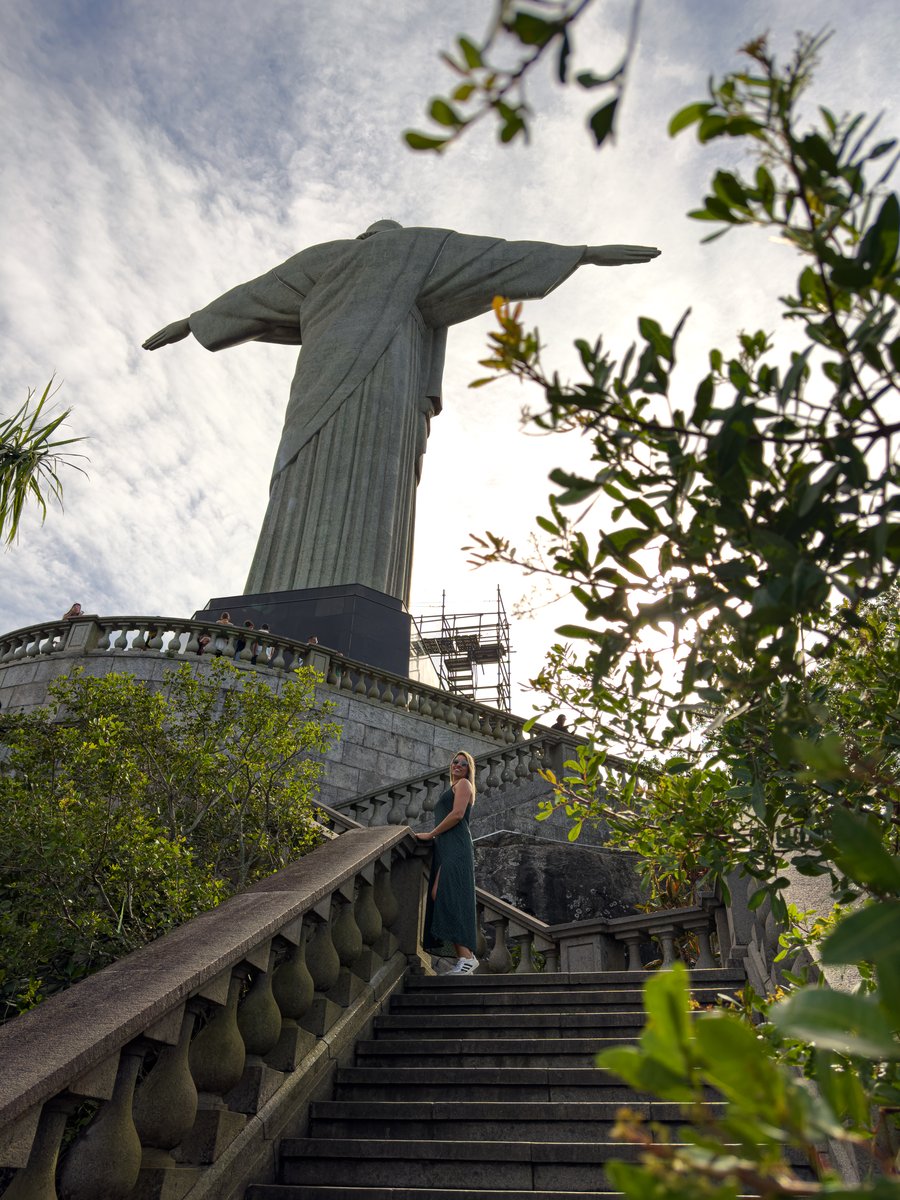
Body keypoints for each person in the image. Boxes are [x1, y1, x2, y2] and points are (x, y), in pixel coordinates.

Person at [143, 222, 659, 606]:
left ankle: (281, 591)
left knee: (320, 477)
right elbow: (493, 259)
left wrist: (193, 322)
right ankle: (342, 592)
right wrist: (581, 254)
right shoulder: (418, 248)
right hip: (382, 374)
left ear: (364, 236)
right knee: (364, 482)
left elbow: (257, 293)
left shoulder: (328, 257)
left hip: (333, 375)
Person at [414, 749, 479, 974]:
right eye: (455, 762)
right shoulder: (453, 787)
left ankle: (467, 957)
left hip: (457, 846)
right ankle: (466, 956)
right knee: (439, 894)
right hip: (447, 846)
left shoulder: (463, 785)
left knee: (446, 893)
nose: (458, 765)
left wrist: (430, 834)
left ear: (469, 769)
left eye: (464, 763)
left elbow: (458, 814)